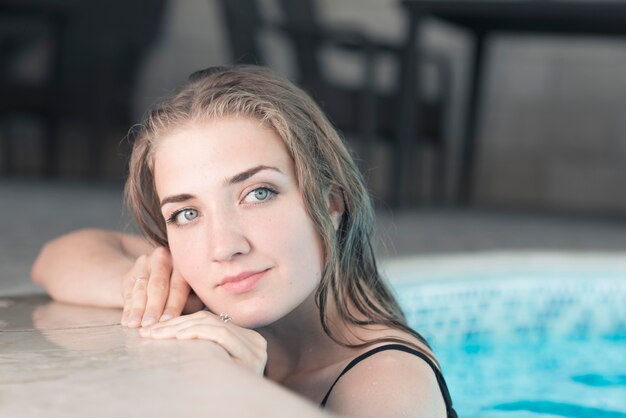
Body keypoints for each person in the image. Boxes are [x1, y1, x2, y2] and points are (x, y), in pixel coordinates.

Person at [32, 65, 457, 418]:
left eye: (258, 193)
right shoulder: (203, 269)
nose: (223, 247)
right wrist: (157, 292)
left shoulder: (390, 387)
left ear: (330, 200)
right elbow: (57, 258)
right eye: (186, 213)